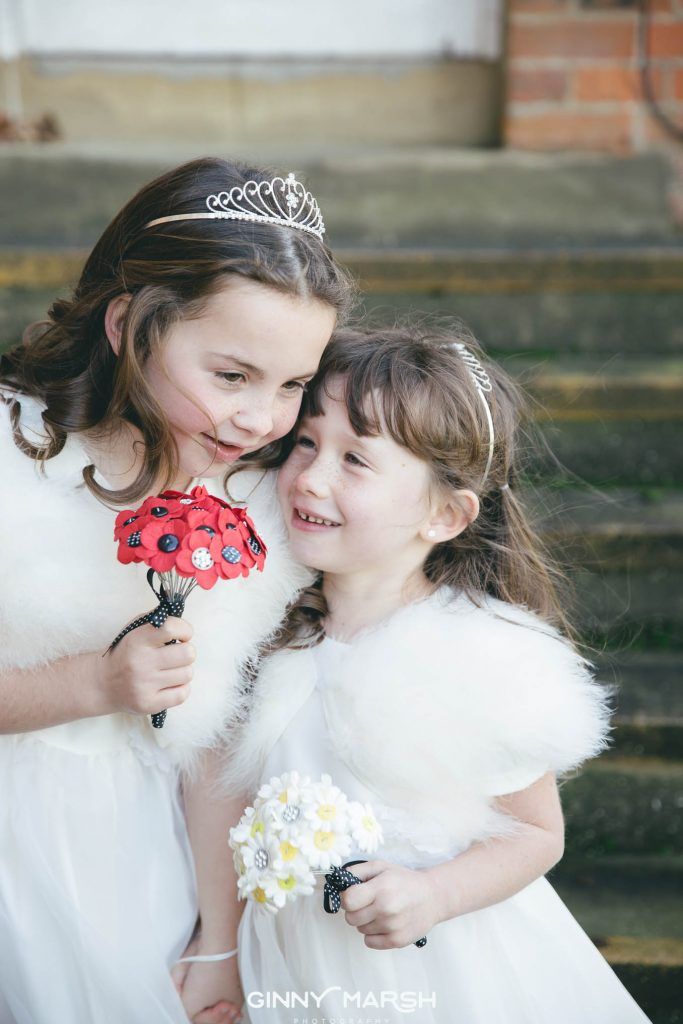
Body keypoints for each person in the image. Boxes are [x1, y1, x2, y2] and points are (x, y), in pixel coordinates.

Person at [0, 157, 355, 1024]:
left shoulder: (259, 503)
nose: (263, 419)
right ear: (128, 323)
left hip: (139, 856)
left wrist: (219, 942)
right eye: (231, 376)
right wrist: (92, 685)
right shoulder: (16, 458)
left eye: (293, 384)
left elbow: (216, 746)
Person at [226, 325, 653, 1023]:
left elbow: (536, 834)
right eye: (306, 442)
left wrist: (436, 895)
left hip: (435, 971)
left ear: (444, 514)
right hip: (293, 961)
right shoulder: (268, 626)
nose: (310, 476)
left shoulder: (475, 655)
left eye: (355, 460)